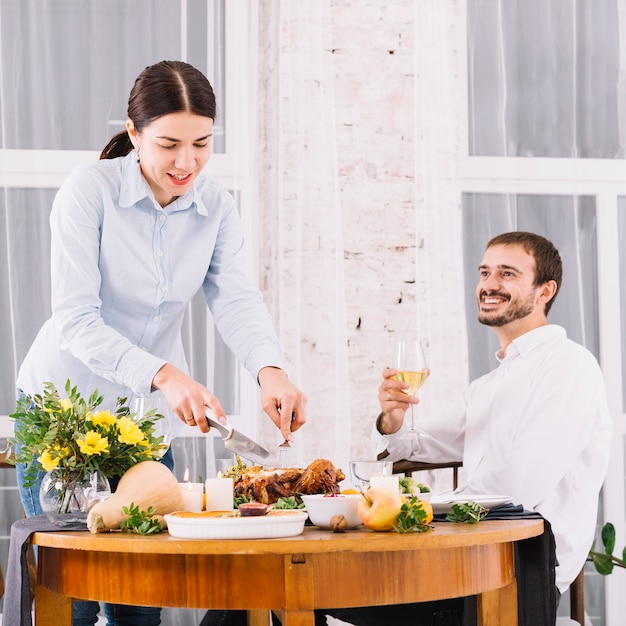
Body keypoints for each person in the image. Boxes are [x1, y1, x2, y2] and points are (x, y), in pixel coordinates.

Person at [14, 60, 306, 626]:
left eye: (202, 143)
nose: (186, 162)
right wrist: (166, 375)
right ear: (134, 133)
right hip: (63, 415)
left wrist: (271, 370)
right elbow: (76, 318)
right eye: (169, 143)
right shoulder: (88, 193)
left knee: (141, 599)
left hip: (142, 420)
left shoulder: (215, 206)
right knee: (70, 595)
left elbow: (236, 298)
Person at [320, 231, 613, 626]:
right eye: (485, 272)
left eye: (507, 273)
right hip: (465, 564)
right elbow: (415, 444)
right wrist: (391, 418)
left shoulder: (569, 366)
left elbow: (519, 487)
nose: (490, 284)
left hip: (513, 578)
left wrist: (417, 510)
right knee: (279, 585)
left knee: (302, 589)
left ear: (545, 291)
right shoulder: (489, 386)